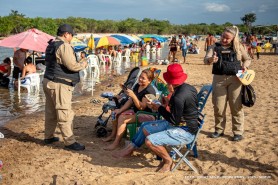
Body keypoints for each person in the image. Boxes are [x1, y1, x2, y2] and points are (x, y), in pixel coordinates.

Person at [114, 64, 198, 172]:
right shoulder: (188, 88)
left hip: (185, 131)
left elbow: (174, 120)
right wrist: (167, 102)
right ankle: (130, 149)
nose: (166, 84)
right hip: (185, 124)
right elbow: (185, 108)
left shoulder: (178, 97)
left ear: (171, 82)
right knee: (144, 127)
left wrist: (159, 108)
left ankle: (168, 161)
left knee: (150, 141)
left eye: (167, 82)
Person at [43, 24, 88, 151]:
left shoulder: (51, 44)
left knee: (51, 111)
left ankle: (48, 136)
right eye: (72, 35)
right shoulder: (64, 45)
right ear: (66, 34)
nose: (72, 38)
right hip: (59, 84)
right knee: (64, 112)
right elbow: (72, 66)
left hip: (48, 81)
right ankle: (69, 142)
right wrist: (83, 64)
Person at [204, 26, 252, 141]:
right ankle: (219, 130)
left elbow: (248, 59)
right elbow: (206, 60)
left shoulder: (239, 47)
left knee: (236, 107)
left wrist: (244, 67)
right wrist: (211, 60)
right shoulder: (214, 46)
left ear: (234, 38)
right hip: (219, 80)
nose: (224, 40)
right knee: (219, 107)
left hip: (235, 80)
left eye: (227, 38)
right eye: (223, 37)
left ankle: (238, 132)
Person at [103, 69, 157, 150]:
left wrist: (133, 95)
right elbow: (130, 100)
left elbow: (141, 107)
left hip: (147, 115)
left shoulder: (149, 91)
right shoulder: (137, 86)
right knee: (115, 113)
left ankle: (116, 143)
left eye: (143, 78)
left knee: (122, 118)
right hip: (136, 112)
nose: (140, 79)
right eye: (140, 77)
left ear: (149, 80)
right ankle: (113, 135)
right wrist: (120, 110)